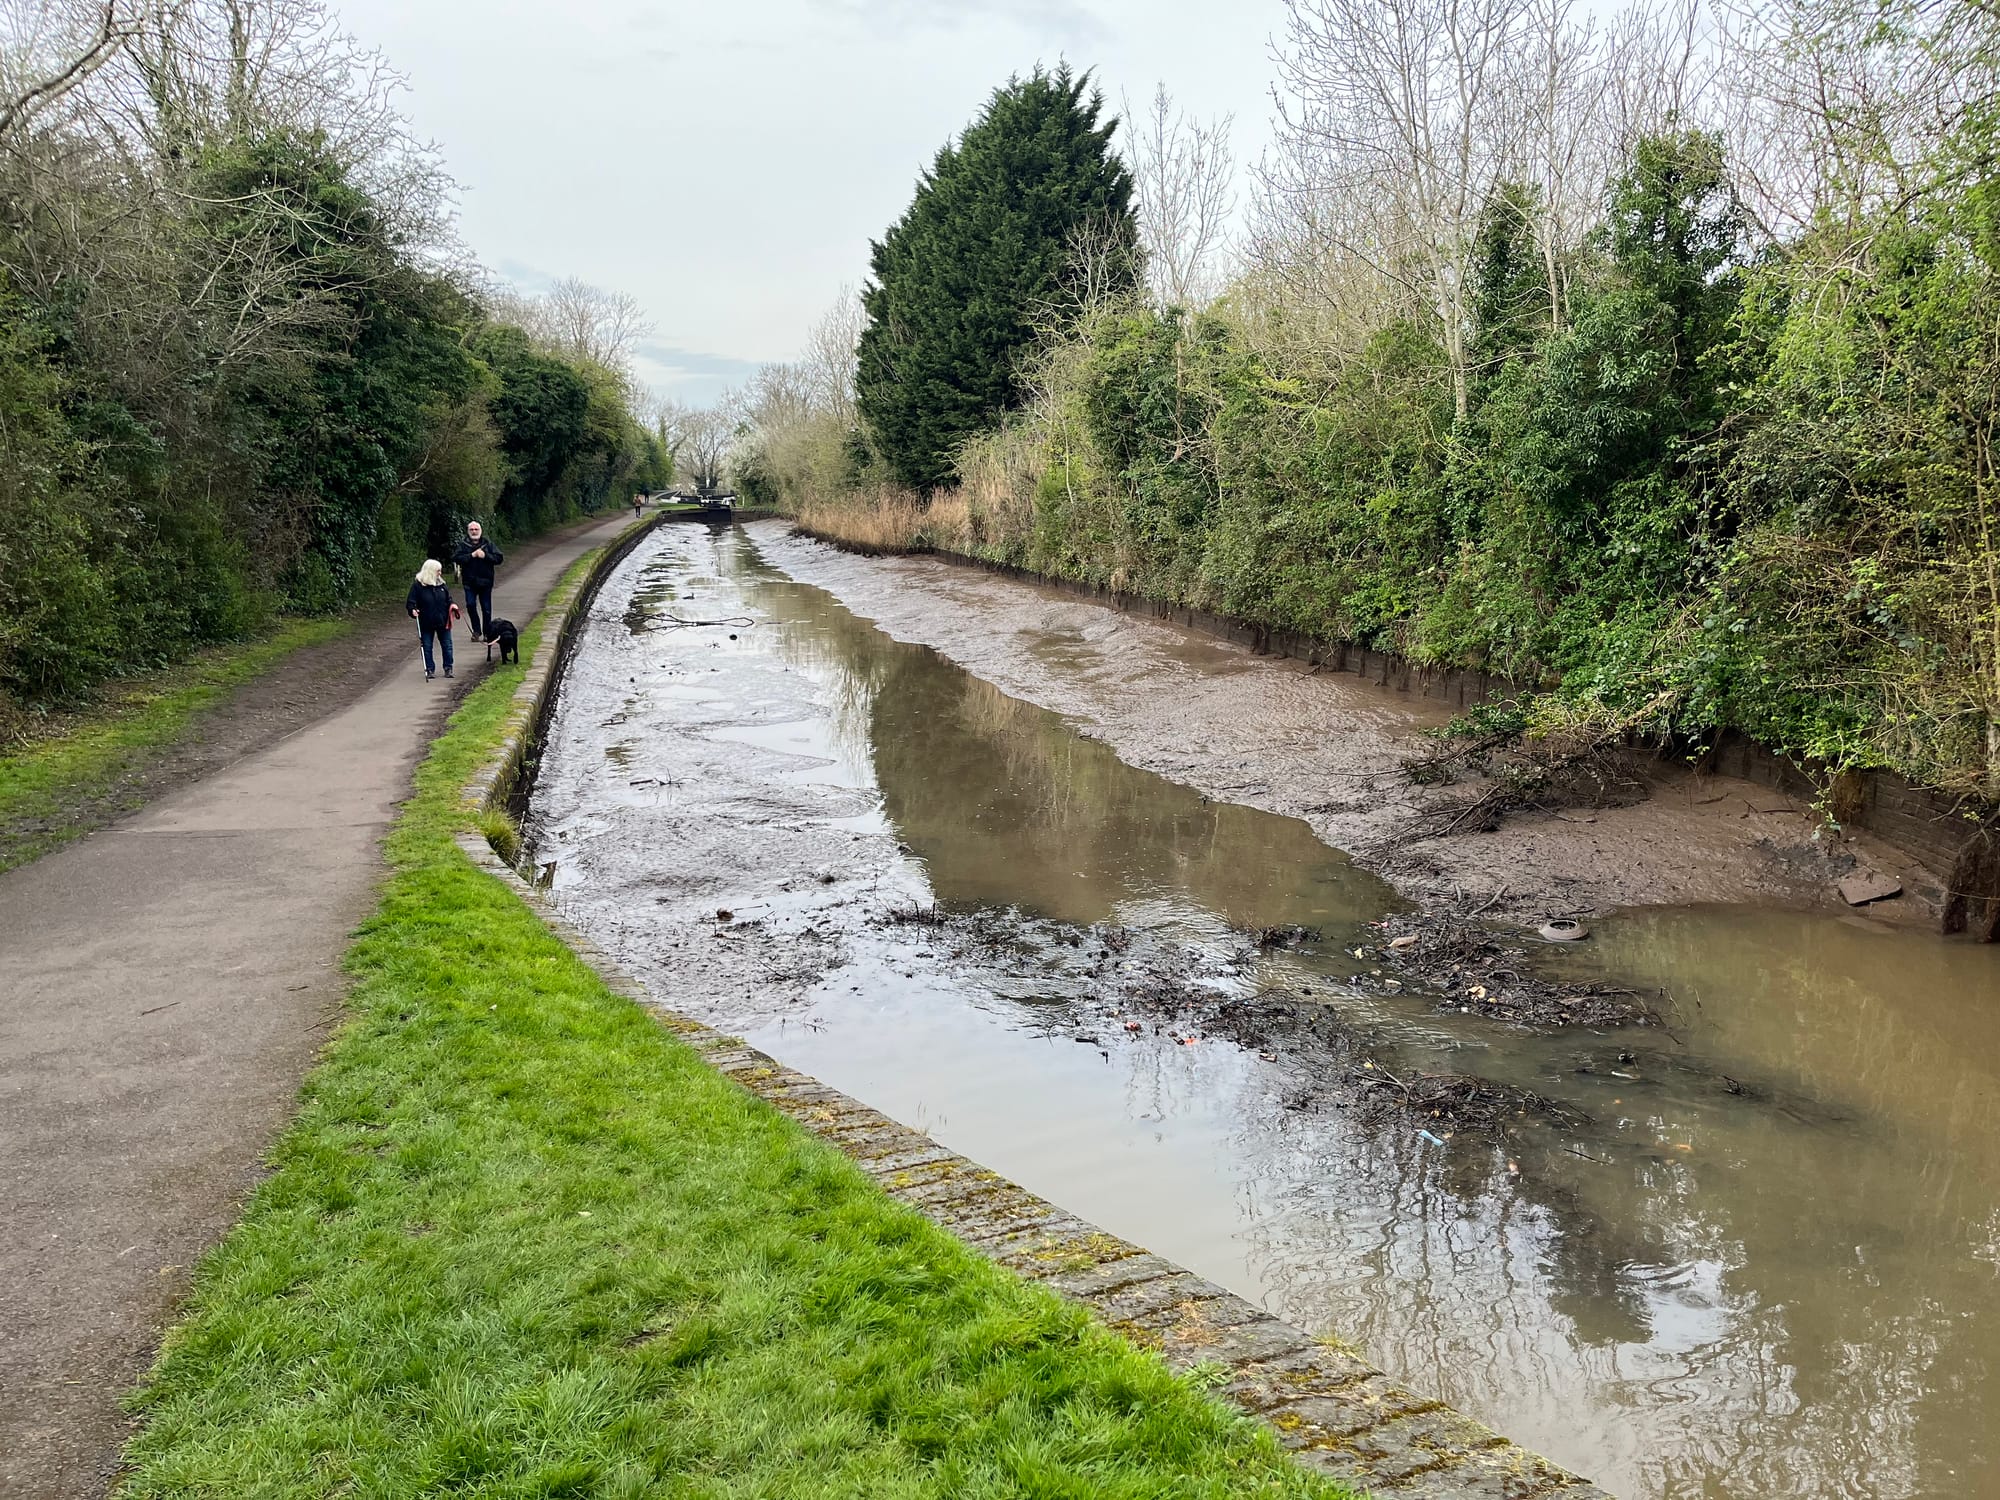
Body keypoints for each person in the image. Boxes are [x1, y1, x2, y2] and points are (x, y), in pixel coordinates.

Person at [406, 559, 457, 680]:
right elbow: (410, 603)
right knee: (427, 646)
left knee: (447, 645)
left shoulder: (442, 585)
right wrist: (413, 610)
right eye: (438, 571)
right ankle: (429, 669)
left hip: (443, 621)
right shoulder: (417, 586)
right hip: (426, 621)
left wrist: (452, 605)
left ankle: (448, 668)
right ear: (430, 571)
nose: (440, 573)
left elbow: (448, 599)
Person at [452, 520, 504, 639]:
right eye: (472, 530)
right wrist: (471, 556)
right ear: (468, 531)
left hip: (486, 582)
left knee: (486, 609)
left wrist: (485, 556)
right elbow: (456, 558)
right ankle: (476, 631)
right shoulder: (463, 545)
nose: (474, 532)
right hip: (469, 582)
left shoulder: (488, 544)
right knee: (470, 605)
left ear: (480, 531)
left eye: (476, 529)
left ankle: (487, 633)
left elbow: (499, 558)